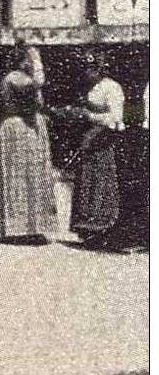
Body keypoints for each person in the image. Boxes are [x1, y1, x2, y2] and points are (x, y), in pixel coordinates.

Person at [0, 42, 57, 244]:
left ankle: (32, 226)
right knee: (19, 175)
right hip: (19, 127)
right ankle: (17, 227)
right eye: (29, 59)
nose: (30, 63)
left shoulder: (21, 78)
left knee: (33, 175)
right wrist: (38, 67)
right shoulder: (15, 78)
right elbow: (33, 100)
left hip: (28, 127)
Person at [67, 51, 125, 250]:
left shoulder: (112, 88)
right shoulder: (90, 88)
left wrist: (90, 118)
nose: (86, 73)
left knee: (101, 182)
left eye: (90, 69)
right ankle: (86, 229)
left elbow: (115, 116)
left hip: (102, 140)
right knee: (86, 181)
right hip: (88, 140)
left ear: (99, 69)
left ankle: (102, 229)